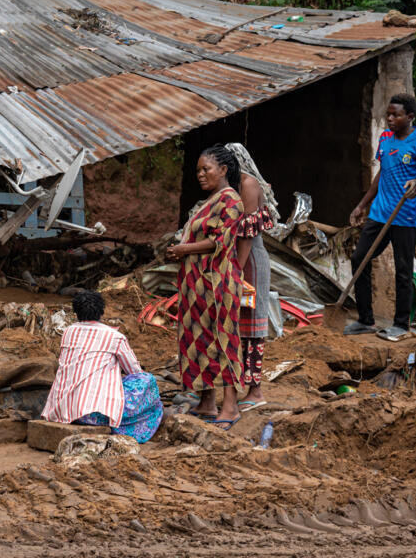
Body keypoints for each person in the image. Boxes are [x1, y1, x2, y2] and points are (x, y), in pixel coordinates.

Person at [165, 144, 245, 430]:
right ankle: (207, 401)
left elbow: (220, 241)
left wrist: (184, 249)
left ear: (223, 170)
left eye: (206, 169)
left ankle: (231, 405)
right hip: (195, 286)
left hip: (217, 284)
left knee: (223, 340)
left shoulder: (231, 200)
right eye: (198, 170)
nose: (200, 174)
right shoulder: (209, 201)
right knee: (198, 341)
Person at [41, 291, 163, 443]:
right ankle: (134, 427)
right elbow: (135, 371)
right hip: (95, 414)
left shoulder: (68, 332)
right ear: (101, 311)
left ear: (76, 312)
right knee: (147, 380)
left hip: (64, 409)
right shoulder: (114, 336)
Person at [344, 93, 416, 339]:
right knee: (359, 259)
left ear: (409, 117)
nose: (389, 119)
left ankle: (401, 325)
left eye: (395, 115)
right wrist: (362, 204)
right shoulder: (386, 138)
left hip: (405, 215)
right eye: (388, 114)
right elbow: (381, 173)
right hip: (380, 212)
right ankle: (366, 320)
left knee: (403, 270)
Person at [227, 144, 274, 408]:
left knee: (252, 325)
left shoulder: (248, 185)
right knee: (239, 324)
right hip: (238, 260)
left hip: (250, 263)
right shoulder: (234, 185)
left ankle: (255, 391)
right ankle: (239, 384)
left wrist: (236, 271)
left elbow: (246, 235)